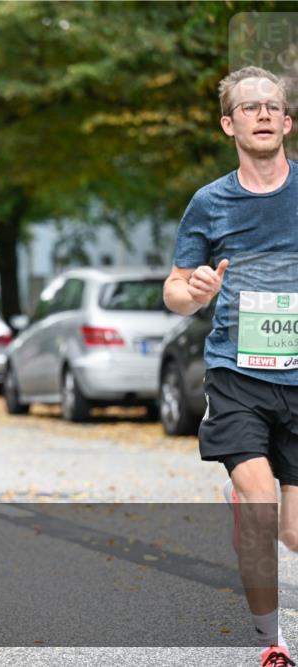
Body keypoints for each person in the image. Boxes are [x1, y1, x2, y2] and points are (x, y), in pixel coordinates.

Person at [163, 66, 296, 667]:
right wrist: (193, 292)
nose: (263, 113)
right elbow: (173, 289)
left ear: (288, 121)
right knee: (259, 500)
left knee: (292, 530)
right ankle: (273, 643)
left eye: (273, 106)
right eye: (250, 107)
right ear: (229, 124)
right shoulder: (210, 202)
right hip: (237, 374)